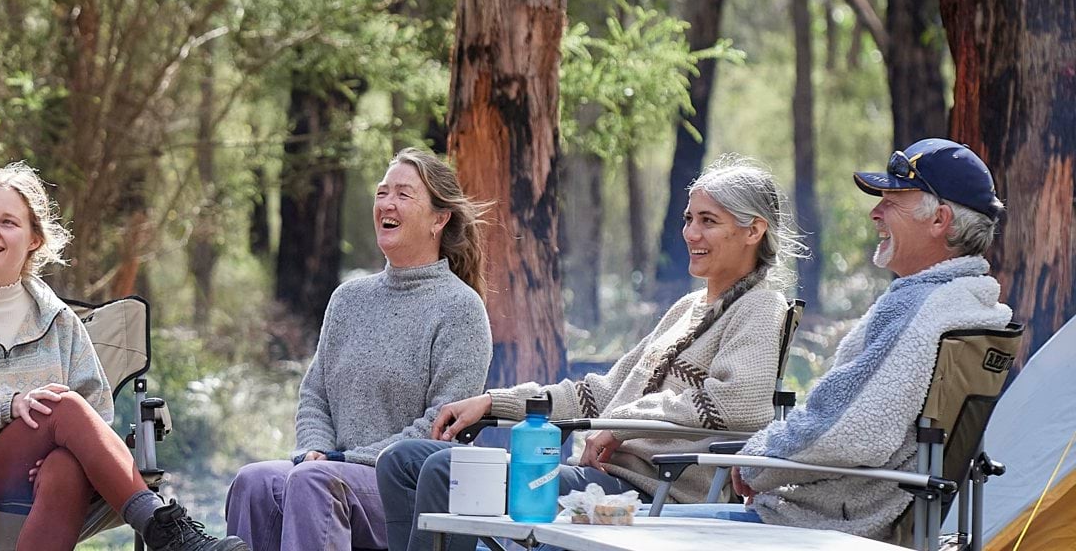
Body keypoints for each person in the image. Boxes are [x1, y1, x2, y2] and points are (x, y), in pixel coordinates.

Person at [380, 156, 800, 551]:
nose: (691, 233)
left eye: (708, 221)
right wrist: (495, 402)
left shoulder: (761, 307)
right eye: (689, 218)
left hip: (650, 495)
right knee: (402, 460)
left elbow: (740, 404)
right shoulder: (686, 309)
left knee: (446, 471)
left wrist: (623, 427)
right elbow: (597, 395)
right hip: (600, 482)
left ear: (753, 230)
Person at [656, 138, 1014, 539]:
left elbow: (850, 432)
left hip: (820, 526)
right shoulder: (970, 303)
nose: (875, 212)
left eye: (892, 202)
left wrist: (756, 459)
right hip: (850, 516)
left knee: (635, 532)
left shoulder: (921, 308)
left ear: (939, 220)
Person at [0, 163, 245, 551]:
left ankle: (165, 531)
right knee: (57, 405)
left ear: (34, 240)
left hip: (42, 471)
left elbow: (95, 416)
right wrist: (8, 408)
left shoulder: (57, 319)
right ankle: (166, 532)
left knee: (67, 468)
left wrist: (60, 450)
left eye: (8, 222)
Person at [225, 147, 493, 550]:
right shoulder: (348, 299)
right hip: (333, 471)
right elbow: (315, 394)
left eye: (404, 194)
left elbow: (440, 429)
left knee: (314, 482)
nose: (387, 203)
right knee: (255, 481)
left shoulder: (461, 308)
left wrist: (344, 461)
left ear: (439, 219)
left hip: (408, 488)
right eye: (382, 192)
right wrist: (315, 449)